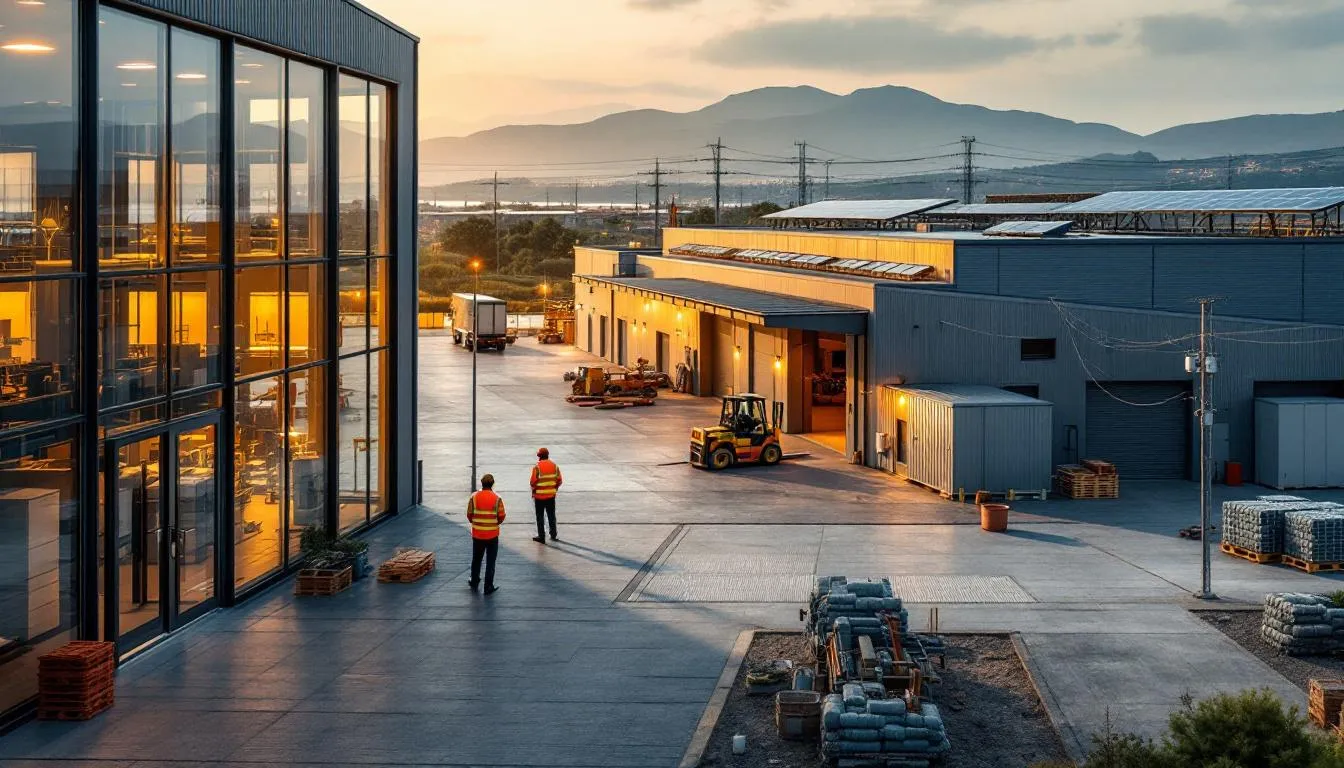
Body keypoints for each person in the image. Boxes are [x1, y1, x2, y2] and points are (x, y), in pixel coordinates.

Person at [467, 474, 505, 594]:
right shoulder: (497, 498)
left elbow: (469, 514)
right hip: (492, 535)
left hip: (478, 534)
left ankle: (474, 580)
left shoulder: (474, 497)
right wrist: (494, 524)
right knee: (490, 561)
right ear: (492, 484)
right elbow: (501, 515)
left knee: (476, 559)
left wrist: (477, 523)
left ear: (482, 483)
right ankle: (488, 586)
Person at [530, 447, 563, 543]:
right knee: (551, 515)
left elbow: (533, 482)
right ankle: (553, 534)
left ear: (539, 456)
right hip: (551, 496)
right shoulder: (554, 466)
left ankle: (541, 536)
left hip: (539, 497)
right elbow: (559, 480)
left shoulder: (537, 467)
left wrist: (535, 490)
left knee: (540, 516)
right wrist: (554, 488)